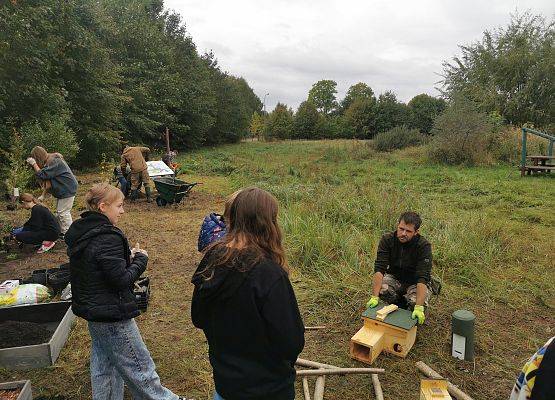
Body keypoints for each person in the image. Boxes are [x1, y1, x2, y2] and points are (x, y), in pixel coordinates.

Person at [65, 183, 186, 400]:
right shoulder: (107, 236)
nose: (122, 211)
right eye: (119, 206)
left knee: (105, 368)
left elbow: (99, 268)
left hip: (95, 312)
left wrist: (124, 258)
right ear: (103, 206)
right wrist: (140, 259)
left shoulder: (84, 231)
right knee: (140, 369)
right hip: (112, 315)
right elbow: (121, 280)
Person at [191, 187, 305, 400]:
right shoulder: (270, 274)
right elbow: (291, 343)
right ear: (266, 223)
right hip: (268, 390)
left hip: (226, 386)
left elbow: (198, 317)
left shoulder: (212, 259)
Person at [366, 211, 432, 325]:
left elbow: (422, 277)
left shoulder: (423, 246)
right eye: (401, 229)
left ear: (416, 232)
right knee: (382, 289)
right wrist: (374, 297)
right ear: (397, 226)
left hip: (415, 282)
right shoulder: (387, 240)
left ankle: (412, 312)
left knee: (415, 302)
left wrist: (419, 307)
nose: (403, 233)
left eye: (408, 231)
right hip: (395, 277)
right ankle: (398, 303)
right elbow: (379, 268)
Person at [26, 146, 78, 237]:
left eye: (36, 159)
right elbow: (48, 181)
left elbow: (43, 175)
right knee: (59, 213)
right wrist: (43, 195)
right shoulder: (49, 162)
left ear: (38, 157)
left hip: (67, 188)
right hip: (64, 189)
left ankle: (70, 235)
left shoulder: (54, 161)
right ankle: (63, 232)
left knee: (63, 213)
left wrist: (34, 164)